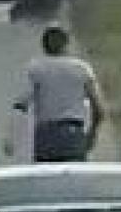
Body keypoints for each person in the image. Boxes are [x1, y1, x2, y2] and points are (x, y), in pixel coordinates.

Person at [6, 26, 106, 162]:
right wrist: (92, 135)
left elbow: (20, 106)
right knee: (74, 179)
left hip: (46, 136)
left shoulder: (35, 68)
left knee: (47, 179)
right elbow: (99, 110)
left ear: (43, 46)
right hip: (73, 135)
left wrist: (12, 138)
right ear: (66, 44)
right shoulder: (82, 69)